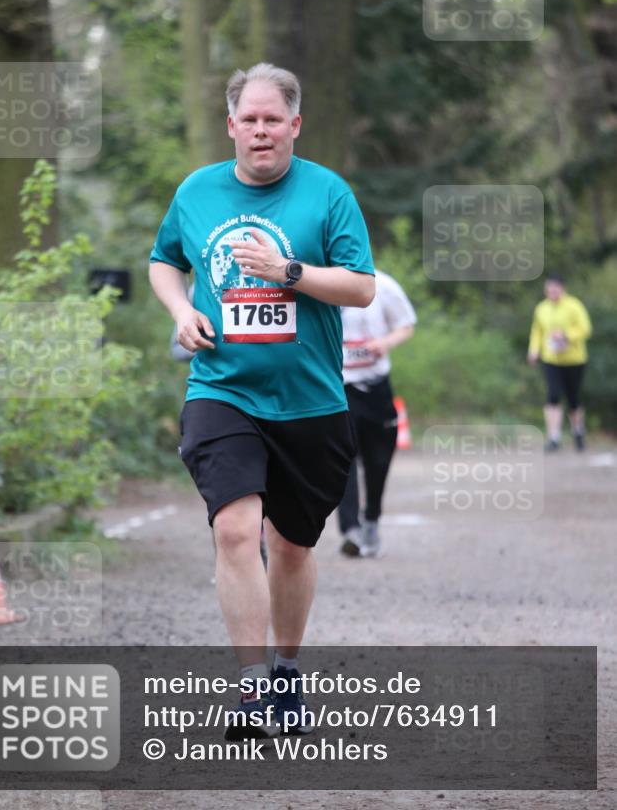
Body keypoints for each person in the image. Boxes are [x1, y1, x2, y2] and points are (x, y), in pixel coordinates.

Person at [149, 62, 374, 740]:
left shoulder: (327, 194)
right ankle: (250, 693)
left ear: (294, 125)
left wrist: (290, 273)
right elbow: (164, 259)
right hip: (222, 388)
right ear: (230, 127)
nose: (260, 130)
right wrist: (179, 309)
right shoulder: (197, 192)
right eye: (248, 119)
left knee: (293, 546)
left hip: (309, 400)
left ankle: (285, 673)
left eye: (272, 119)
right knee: (235, 530)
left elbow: (361, 288)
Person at [338, 270, 416, 558]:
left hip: (376, 388)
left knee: (378, 461)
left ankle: (371, 519)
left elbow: (406, 326)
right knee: (342, 457)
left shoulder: (384, 285)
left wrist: (385, 343)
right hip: (339, 387)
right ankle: (351, 530)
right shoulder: (321, 280)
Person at [527, 274, 592, 451]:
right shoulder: (541, 308)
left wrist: (566, 335)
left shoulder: (574, 305)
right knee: (553, 395)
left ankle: (577, 430)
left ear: (563, 289)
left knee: (573, 399)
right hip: (551, 359)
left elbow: (585, 328)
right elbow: (537, 331)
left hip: (574, 359)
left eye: (555, 289)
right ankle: (553, 437)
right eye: (549, 289)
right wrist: (534, 350)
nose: (552, 292)